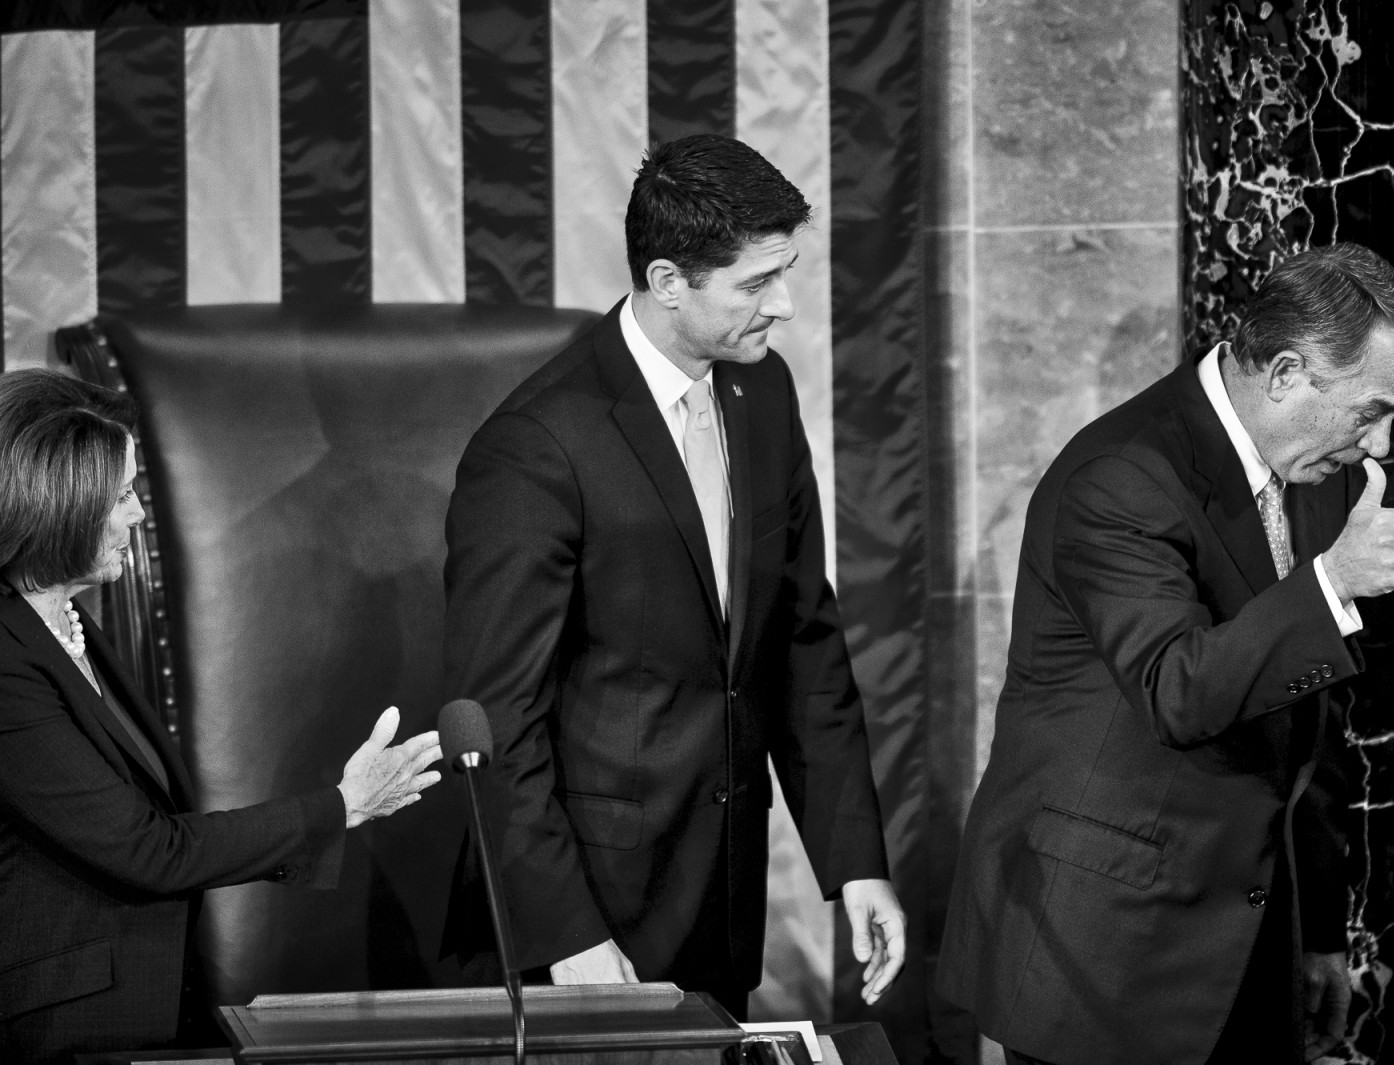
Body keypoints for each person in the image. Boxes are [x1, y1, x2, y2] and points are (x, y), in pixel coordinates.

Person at [938, 243, 1394, 1064]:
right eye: (1369, 411)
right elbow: (1175, 688)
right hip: (1104, 949)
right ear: (1285, 373)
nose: (1380, 445)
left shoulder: (1325, 472)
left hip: (1249, 938)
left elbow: (1312, 723)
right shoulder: (1121, 476)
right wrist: (1332, 584)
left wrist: (1315, 931)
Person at [440, 133, 904, 1018]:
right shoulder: (536, 446)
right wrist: (567, 935)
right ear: (666, 282)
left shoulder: (762, 393)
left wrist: (855, 863)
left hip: (718, 908)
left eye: (787, 271)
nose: (789, 305)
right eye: (757, 283)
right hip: (583, 922)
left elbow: (800, 637)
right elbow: (496, 722)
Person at [0, 369, 444, 1063]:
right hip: (63, 1032)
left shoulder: (70, 622)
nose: (138, 515)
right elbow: (149, 849)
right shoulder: (7, 660)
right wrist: (341, 806)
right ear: (59, 504)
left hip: (143, 1009)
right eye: (119, 496)